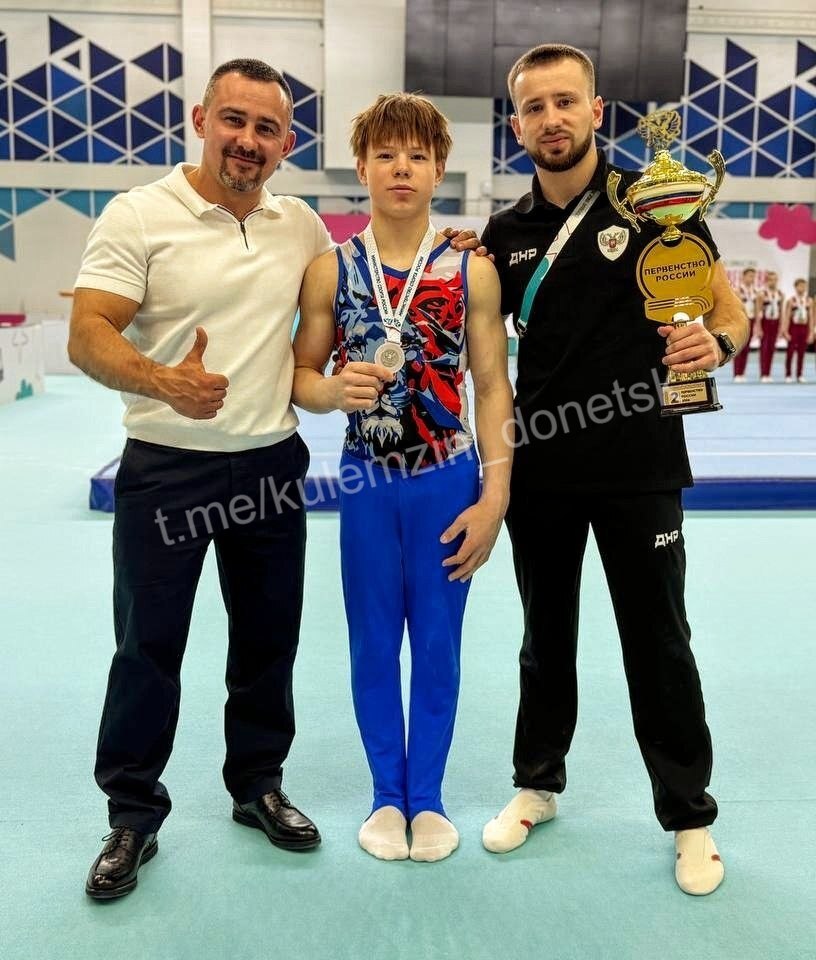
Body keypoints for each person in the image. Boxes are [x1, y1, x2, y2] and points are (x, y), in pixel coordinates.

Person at [477, 44, 748, 896]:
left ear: (596, 111)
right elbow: (480, 350)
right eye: (534, 106)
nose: (551, 118)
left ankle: (689, 815)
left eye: (566, 101)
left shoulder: (660, 203)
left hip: (641, 465)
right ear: (517, 124)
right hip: (542, 466)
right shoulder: (504, 234)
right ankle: (537, 783)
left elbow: (727, 311)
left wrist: (715, 343)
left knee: (659, 643)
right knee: (543, 639)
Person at [68, 59, 335, 900]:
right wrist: (162, 380)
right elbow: (87, 332)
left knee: (268, 640)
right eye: (234, 120)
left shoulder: (302, 227)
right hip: (167, 469)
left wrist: (462, 245)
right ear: (200, 120)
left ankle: (258, 784)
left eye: (266, 128)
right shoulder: (139, 213)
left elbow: (371, 274)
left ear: (286, 143)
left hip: (270, 466)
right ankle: (131, 814)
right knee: (148, 647)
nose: (247, 140)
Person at [292, 93, 513, 862]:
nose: (401, 168)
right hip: (367, 484)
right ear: (361, 167)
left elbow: (494, 387)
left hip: (447, 480)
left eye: (417, 155)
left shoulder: (472, 269)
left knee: (440, 647)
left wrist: (495, 497)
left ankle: (430, 798)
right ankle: (388, 795)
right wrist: (331, 392)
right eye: (385, 154)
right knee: (374, 644)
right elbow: (301, 376)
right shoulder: (329, 270)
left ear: (439, 168)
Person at [781, 278, 813, 383]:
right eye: (800, 286)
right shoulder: (791, 301)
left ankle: (799, 374)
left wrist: (811, 333)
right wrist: (785, 331)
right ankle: (788, 374)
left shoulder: (809, 301)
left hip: (804, 328)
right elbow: (787, 317)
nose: (802, 288)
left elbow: (811, 318)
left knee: (801, 353)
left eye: (804, 286)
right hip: (793, 328)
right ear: (795, 287)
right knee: (790, 352)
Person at [756, 271, 784, 382]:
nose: (773, 282)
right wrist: (759, 328)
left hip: (775, 322)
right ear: (767, 281)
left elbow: (781, 312)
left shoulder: (780, 294)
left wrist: (781, 327)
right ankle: (763, 374)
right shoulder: (762, 294)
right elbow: (758, 311)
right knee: (764, 349)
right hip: (765, 322)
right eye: (771, 280)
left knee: (772, 349)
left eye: (775, 280)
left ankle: (768, 373)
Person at [732, 267, 758, 382]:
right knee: (739, 347)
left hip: (751, 319)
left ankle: (742, 373)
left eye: (753, 276)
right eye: (750, 276)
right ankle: (737, 373)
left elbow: (757, 309)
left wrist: (757, 323)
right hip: (741, 320)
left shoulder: (755, 292)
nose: (752, 278)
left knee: (747, 348)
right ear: (743, 276)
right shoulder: (737, 290)